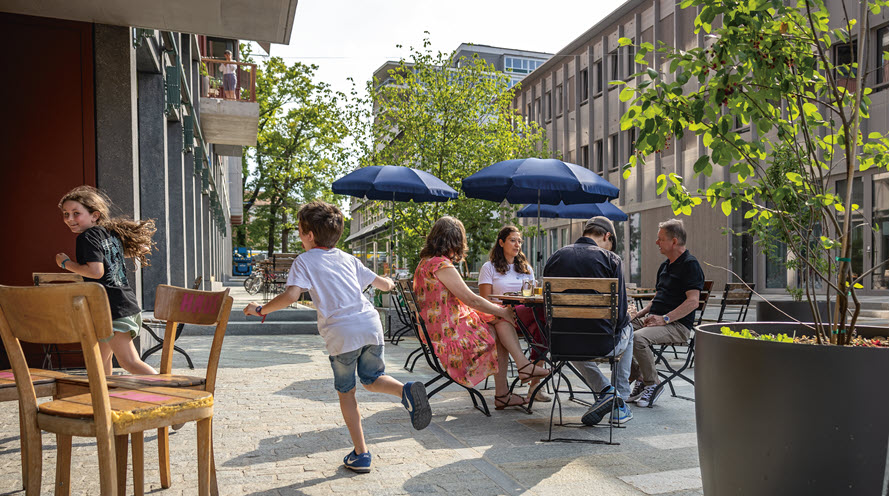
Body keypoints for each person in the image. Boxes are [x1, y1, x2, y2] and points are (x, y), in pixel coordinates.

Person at [243, 201, 430, 474]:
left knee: (347, 392)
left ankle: (361, 453)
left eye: (299, 230)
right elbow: (383, 284)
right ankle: (406, 391)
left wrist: (261, 309)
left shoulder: (304, 261)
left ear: (309, 235)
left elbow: (291, 296)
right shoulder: (348, 258)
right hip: (370, 324)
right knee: (373, 379)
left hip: (341, 332)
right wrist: (391, 282)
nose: (298, 235)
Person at [413, 217, 549, 411]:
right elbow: (472, 300)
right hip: (448, 336)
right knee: (500, 323)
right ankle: (512, 381)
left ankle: (519, 372)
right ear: (453, 240)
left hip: (438, 329)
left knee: (498, 320)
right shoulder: (440, 265)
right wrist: (502, 311)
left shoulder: (425, 263)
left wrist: (499, 313)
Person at [56, 186, 159, 376]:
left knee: (130, 363)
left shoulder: (86, 238)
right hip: (120, 305)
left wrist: (66, 263)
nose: (69, 219)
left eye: (76, 213)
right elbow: (135, 251)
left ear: (94, 215)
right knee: (101, 362)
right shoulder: (107, 233)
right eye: (65, 214)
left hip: (113, 310)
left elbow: (95, 272)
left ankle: (168, 392)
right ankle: (105, 400)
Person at [543, 216, 633, 426]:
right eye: (611, 245)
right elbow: (618, 316)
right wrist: (627, 316)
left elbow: (547, 311)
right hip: (602, 345)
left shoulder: (555, 257)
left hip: (561, 344)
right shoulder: (611, 260)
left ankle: (606, 392)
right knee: (629, 327)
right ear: (607, 236)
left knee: (575, 339)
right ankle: (620, 402)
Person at [628, 218, 704, 408]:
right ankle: (640, 376)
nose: (656, 243)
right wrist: (639, 314)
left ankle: (653, 384)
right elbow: (658, 298)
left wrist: (665, 319)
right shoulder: (665, 266)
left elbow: (693, 301)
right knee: (618, 331)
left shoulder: (690, 265)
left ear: (674, 241)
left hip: (677, 326)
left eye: (660, 239)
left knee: (637, 338)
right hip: (656, 320)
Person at [477, 225, 550, 402]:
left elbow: (533, 296)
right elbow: (485, 301)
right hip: (499, 315)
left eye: (519, 241)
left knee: (544, 323)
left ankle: (534, 387)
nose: (517, 244)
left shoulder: (526, 269)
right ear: (501, 242)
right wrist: (503, 310)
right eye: (512, 240)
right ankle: (529, 371)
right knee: (542, 318)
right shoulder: (489, 267)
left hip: (524, 314)